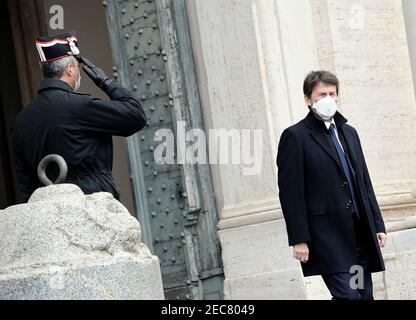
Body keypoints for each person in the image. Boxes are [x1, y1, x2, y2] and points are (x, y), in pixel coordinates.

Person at [276, 70, 387, 300]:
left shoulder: (349, 132)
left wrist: (377, 224)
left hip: (358, 236)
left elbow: (364, 182)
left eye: (332, 93)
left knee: (361, 294)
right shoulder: (295, 137)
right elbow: (291, 194)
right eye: (321, 94)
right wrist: (299, 238)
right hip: (329, 239)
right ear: (308, 99)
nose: (328, 98)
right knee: (349, 296)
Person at [12, 32, 147, 201]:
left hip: (48, 211)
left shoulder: (22, 120)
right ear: (69, 69)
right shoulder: (80, 106)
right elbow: (136, 115)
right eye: (77, 66)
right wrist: (106, 82)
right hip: (92, 206)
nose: (78, 71)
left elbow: (25, 185)